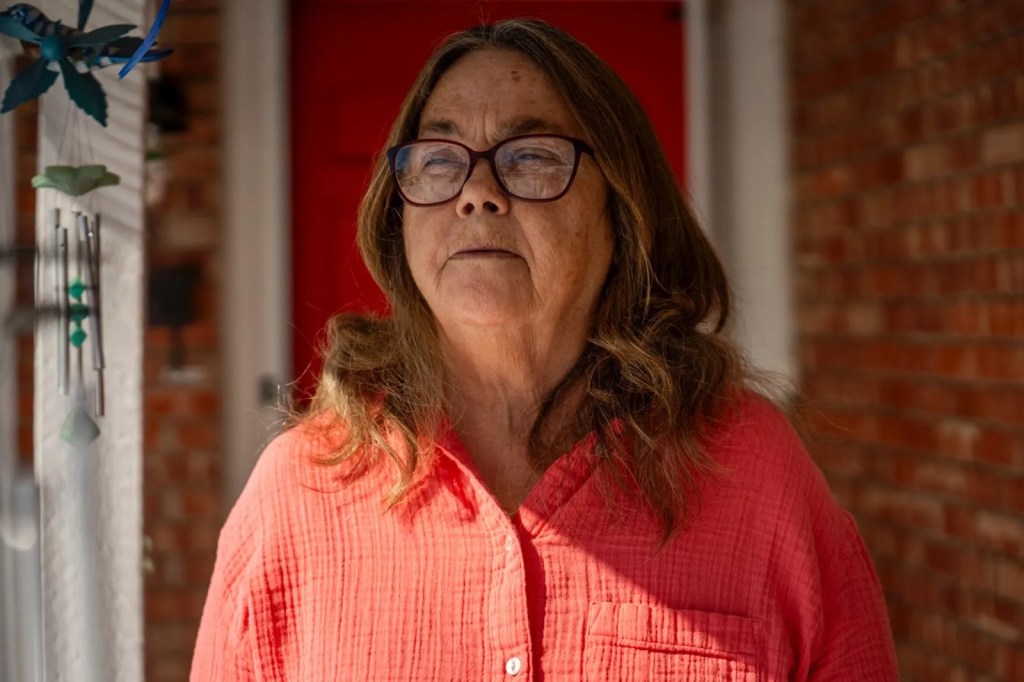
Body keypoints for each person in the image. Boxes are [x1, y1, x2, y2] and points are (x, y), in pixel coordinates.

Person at [191, 18, 898, 681]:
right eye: (438, 159)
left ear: (622, 210)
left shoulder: (754, 470)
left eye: (530, 156)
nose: (476, 193)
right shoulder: (297, 492)